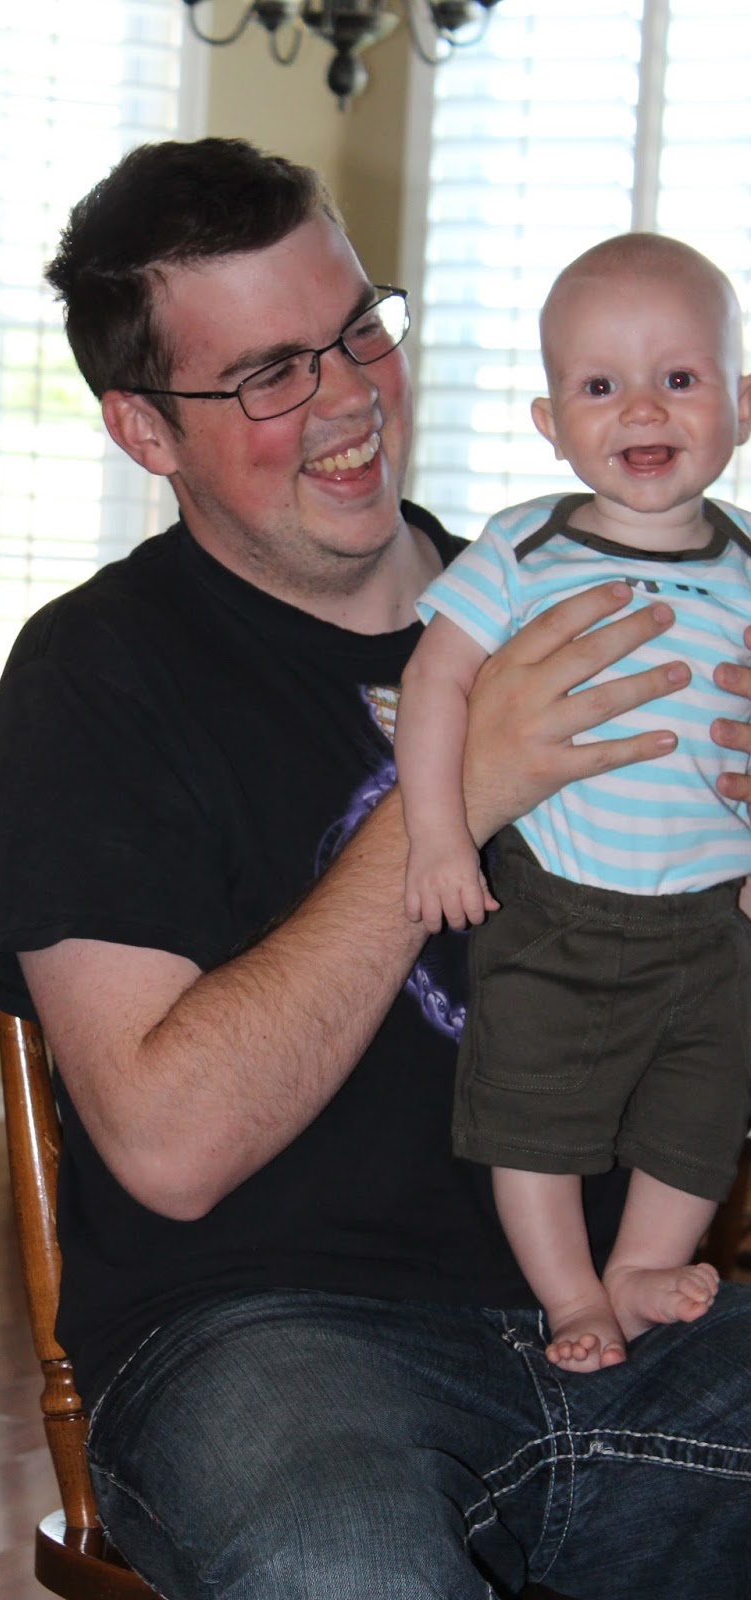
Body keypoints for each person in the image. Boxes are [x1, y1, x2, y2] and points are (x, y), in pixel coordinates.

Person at [0, 141, 751, 1600]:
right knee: (347, 1566)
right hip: (266, 1343)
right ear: (143, 430)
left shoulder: (596, 605)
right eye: (270, 373)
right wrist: (460, 781)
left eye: (357, 330)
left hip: (632, 1318)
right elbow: (168, 1145)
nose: (347, 399)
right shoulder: (97, 676)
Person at [395, 234, 751, 1374]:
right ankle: (567, 1295)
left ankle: (643, 1266)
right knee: (530, 1108)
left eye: (679, 377)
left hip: (717, 919)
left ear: (741, 405)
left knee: (705, 1105)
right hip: (560, 904)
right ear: (551, 423)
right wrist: (439, 837)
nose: (642, 408)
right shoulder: (523, 546)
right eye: (600, 386)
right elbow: (434, 684)